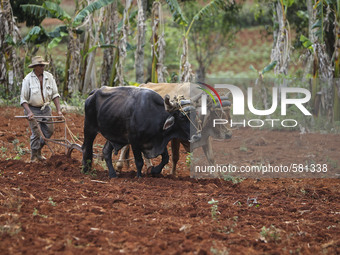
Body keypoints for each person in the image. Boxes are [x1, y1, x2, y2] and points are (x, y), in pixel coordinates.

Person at [20, 56, 63, 162]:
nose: (43, 67)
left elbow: (55, 94)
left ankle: (37, 150)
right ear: (35, 67)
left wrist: (59, 110)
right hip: (32, 109)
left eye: (43, 65)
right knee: (36, 133)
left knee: (49, 131)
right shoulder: (28, 79)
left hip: (46, 109)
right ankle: (34, 156)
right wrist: (29, 112)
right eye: (40, 65)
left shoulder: (49, 77)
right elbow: (23, 99)